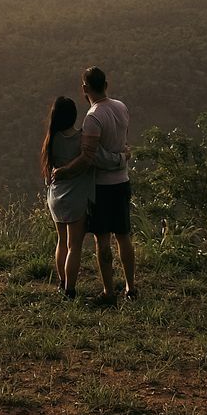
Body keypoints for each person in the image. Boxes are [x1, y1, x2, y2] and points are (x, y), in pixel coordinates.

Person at [50, 65, 136, 301]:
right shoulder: (121, 107)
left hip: (103, 186)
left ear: (84, 88)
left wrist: (65, 171)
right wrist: (123, 157)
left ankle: (108, 292)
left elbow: (90, 156)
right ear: (106, 85)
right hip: (123, 181)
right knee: (124, 236)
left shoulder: (93, 117)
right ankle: (130, 287)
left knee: (103, 240)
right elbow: (121, 142)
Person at [42, 95, 92, 296]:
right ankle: (70, 290)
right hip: (75, 197)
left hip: (55, 196)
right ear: (74, 116)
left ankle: (62, 283)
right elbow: (88, 160)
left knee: (61, 242)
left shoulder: (51, 138)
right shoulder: (81, 138)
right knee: (74, 246)